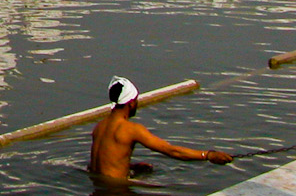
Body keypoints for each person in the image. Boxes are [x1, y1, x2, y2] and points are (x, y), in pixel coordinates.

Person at [89, 77, 232, 180]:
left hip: (98, 191)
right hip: (117, 193)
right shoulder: (131, 129)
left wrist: (129, 166)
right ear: (131, 103)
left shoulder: (99, 127)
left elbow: (101, 164)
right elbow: (171, 151)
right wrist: (208, 155)